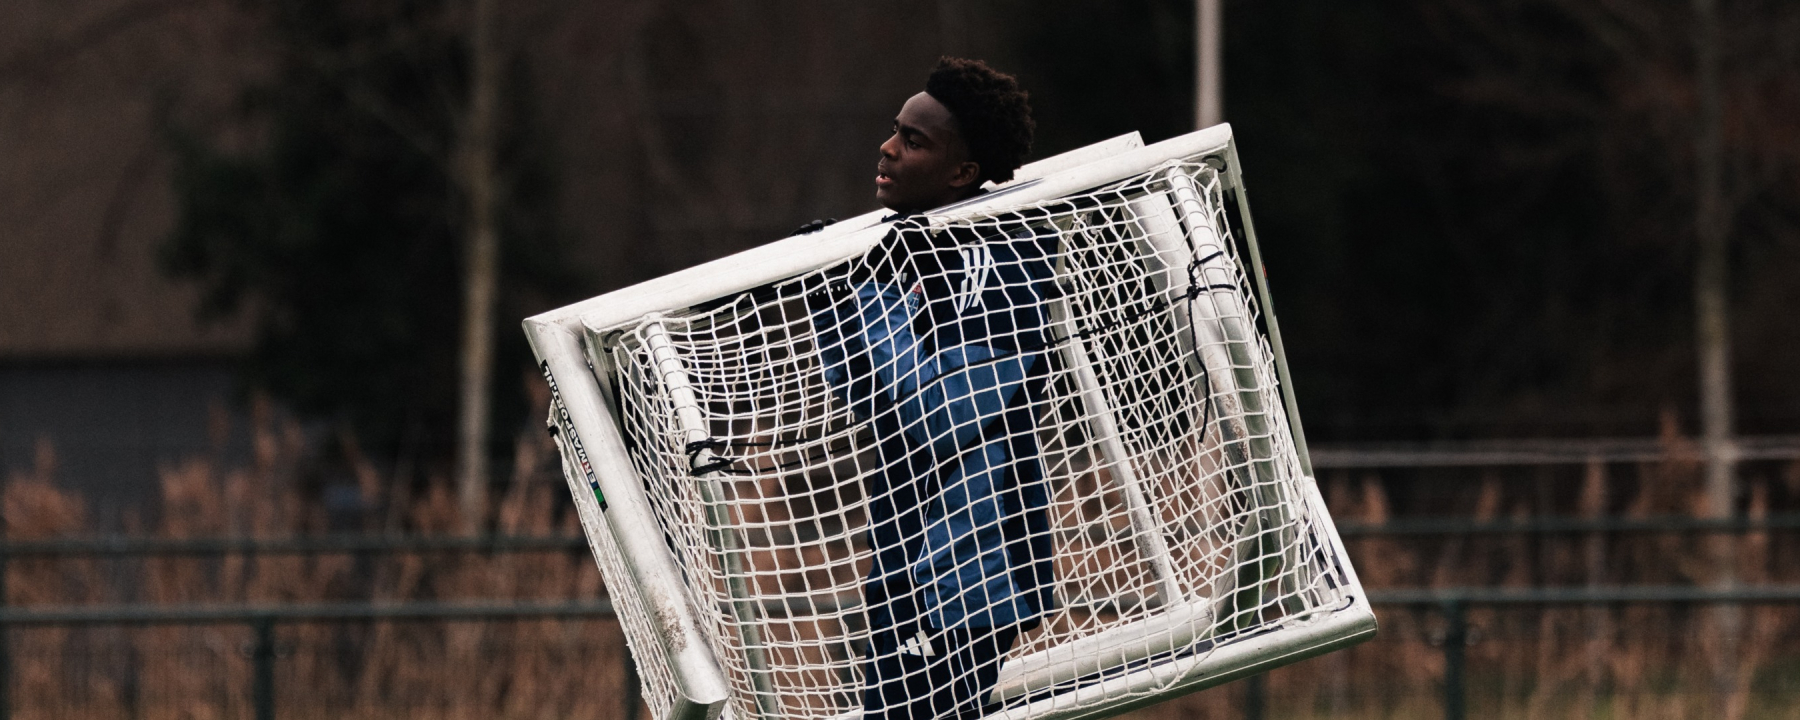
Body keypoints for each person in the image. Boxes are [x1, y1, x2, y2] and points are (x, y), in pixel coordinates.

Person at [808, 57, 1056, 719]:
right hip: (901, 556)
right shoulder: (902, 248)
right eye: (895, 130)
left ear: (962, 174)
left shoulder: (997, 257)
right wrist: (832, 297)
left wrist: (858, 304)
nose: (888, 148)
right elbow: (866, 398)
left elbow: (947, 411)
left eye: (915, 141)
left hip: (969, 567)